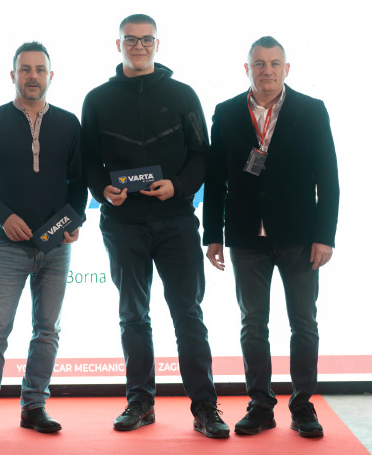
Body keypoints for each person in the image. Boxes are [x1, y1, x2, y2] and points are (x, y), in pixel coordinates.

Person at [81, 14, 229, 439]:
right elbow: (88, 160)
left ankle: (205, 407)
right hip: (122, 223)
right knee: (133, 315)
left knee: (188, 315)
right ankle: (140, 402)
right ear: (119, 44)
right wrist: (102, 190)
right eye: (131, 39)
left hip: (176, 220)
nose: (139, 46)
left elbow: (202, 155)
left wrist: (178, 186)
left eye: (147, 40)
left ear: (157, 45)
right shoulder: (97, 99)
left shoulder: (182, 94)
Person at [203, 36, 339, 438]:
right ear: (247, 69)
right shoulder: (226, 112)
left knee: (304, 323)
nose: (267, 71)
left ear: (286, 69)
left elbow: (328, 179)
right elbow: (215, 179)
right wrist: (213, 234)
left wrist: (325, 236)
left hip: (300, 236)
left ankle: (303, 405)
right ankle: (261, 405)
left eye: (274, 63)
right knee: (252, 323)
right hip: (246, 236)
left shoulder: (311, 110)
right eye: (259, 64)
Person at [0, 41, 87, 442]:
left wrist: (75, 220)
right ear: (13, 75)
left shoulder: (69, 124)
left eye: (40, 69)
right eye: (25, 69)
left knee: (47, 330)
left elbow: (79, 183)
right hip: (7, 245)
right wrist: (3, 216)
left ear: (51, 75)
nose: (33, 76)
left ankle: (34, 407)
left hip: (56, 246)